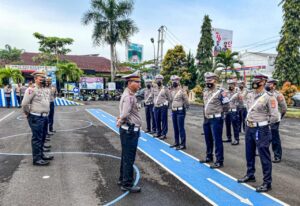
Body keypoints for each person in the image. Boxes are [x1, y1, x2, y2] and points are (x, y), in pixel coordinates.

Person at [237, 73, 280, 193]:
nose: (255, 81)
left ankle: (267, 182)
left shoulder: (269, 97)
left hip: (261, 129)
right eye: (254, 79)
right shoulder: (250, 94)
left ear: (264, 82)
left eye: (258, 80)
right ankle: (250, 174)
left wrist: (264, 124)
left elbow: (275, 116)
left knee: (264, 156)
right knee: (249, 153)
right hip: (249, 128)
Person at [116, 71, 142, 193]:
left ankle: (122, 179)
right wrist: (121, 120)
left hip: (127, 130)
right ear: (130, 83)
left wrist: (121, 119)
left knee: (125, 156)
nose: (139, 85)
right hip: (130, 131)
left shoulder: (128, 94)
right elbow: (125, 114)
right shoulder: (129, 96)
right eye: (137, 82)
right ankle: (127, 183)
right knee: (129, 158)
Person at [21, 71, 54, 166]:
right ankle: (37, 159)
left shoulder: (45, 89)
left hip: (45, 116)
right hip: (36, 117)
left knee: (43, 136)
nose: (43, 79)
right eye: (41, 78)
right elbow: (24, 104)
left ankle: (41, 155)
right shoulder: (31, 90)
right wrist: (27, 114)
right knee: (37, 138)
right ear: (35, 79)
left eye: (44, 78)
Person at [200, 72, 230, 168]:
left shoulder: (221, 92)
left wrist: (220, 114)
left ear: (215, 80)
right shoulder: (205, 91)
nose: (208, 82)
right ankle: (209, 156)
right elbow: (205, 105)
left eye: (210, 80)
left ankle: (219, 160)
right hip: (207, 119)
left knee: (217, 140)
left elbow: (226, 106)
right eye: (206, 80)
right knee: (208, 139)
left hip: (216, 119)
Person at [266, 77, 287, 163]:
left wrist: (279, 117)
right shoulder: (264, 94)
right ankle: (263, 152)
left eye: (270, 84)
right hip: (264, 119)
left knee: (275, 138)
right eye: (267, 83)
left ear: (274, 85)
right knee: (264, 137)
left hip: (274, 120)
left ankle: (277, 155)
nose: (267, 85)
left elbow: (284, 108)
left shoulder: (278, 95)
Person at [169, 75, 189, 150]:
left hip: (180, 111)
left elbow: (186, 100)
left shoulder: (182, 90)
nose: (174, 82)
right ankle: (176, 142)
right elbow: (170, 99)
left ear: (179, 81)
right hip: (173, 111)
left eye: (176, 80)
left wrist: (186, 106)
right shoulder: (171, 90)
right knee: (175, 127)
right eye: (173, 81)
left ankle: (183, 144)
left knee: (181, 128)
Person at [153, 74, 170, 140]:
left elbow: (169, 98)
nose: (158, 80)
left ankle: (164, 134)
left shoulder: (165, 88)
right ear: (155, 80)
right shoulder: (154, 88)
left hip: (163, 107)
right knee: (157, 120)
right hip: (156, 106)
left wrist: (167, 104)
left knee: (164, 120)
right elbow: (153, 96)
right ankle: (158, 133)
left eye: (160, 79)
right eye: (157, 79)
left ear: (162, 80)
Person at [223, 79, 240, 145]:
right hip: (227, 111)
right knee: (227, 125)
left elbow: (241, 102)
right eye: (229, 84)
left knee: (235, 126)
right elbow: (223, 101)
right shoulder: (225, 92)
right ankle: (229, 138)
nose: (230, 85)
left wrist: (236, 105)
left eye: (231, 84)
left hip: (234, 111)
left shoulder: (237, 93)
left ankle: (236, 139)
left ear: (234, 85)